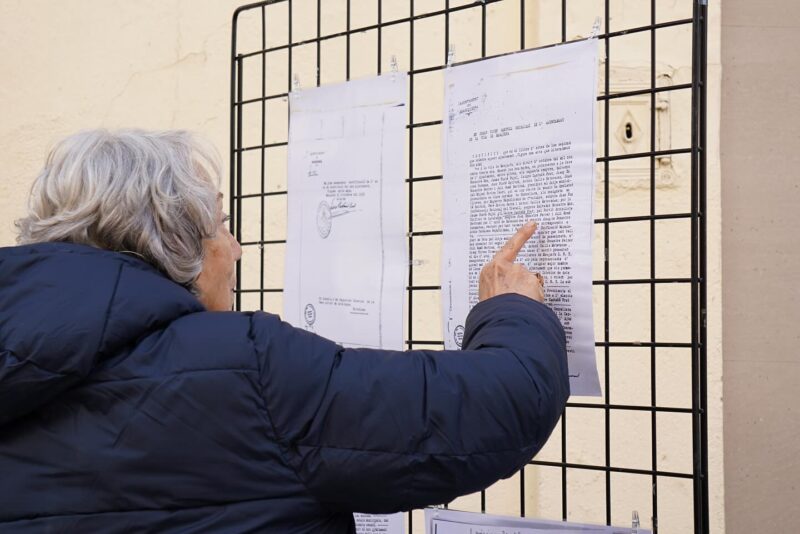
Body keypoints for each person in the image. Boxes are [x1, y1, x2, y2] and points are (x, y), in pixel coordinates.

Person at [0, 129, 569, 533]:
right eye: (221, 225)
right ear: (171, 238)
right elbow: (495, 405)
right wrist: (512, 309)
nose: (237, 248)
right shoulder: (245, 371)